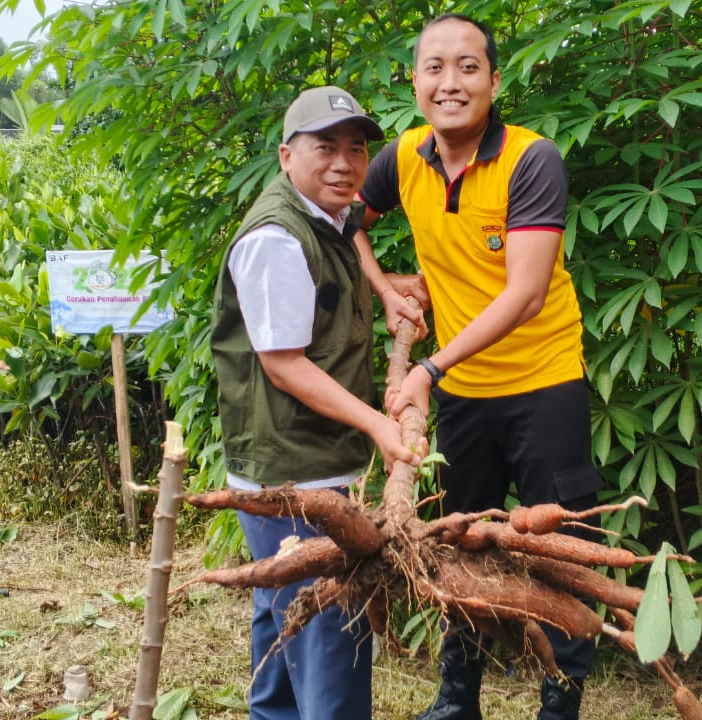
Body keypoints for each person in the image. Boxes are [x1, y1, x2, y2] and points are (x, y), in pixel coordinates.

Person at [353, 14, 604, 720]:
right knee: (455, 548)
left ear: (495, 81)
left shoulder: (532, 159)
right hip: (464, 394)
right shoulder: (402, 158)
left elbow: (525, 294)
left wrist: (427, 368)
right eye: (434, 67)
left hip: (543, 382)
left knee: (566, 551)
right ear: (415, 80)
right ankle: (456, 699)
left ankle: (560, 707)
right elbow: (349, 220)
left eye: (468, 67)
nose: (450, 82)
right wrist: (383, 282)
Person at [210, 85, 422, 720]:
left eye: (355, 148)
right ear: (285, 155)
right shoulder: (277, 238)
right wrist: (381, 426)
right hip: (295, 477)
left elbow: (353, 248)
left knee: (284, 631)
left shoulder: (328, 220)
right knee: (328, 640)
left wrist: (387, 291)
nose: (344, 163)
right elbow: (284, 366)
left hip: (307, 466)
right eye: (324, 147)